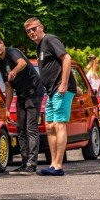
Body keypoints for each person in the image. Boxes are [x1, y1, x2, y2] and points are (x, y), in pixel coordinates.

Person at [24, 17, 76, 176]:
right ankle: (53, 164)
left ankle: (58, 166)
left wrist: (64, 84)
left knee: (59, 124)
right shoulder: (40, 46)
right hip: (51, 91)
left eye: (34, 29)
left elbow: (66, 58)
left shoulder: (49, 39)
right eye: (28, 31)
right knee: (49, 125)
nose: (32, 33)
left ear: (41, 27)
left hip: (61, 89)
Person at [0, 35, 45, 174]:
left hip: (33, 92)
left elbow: (22, 63)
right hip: (22, 94)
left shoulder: (12, 52)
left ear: (2, 43)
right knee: (20, 128)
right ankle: (25, 162)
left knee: (31, 128)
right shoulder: (1, 63)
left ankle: (32, 164)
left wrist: (14, 71)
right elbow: (8, 86)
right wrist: (6, 109)